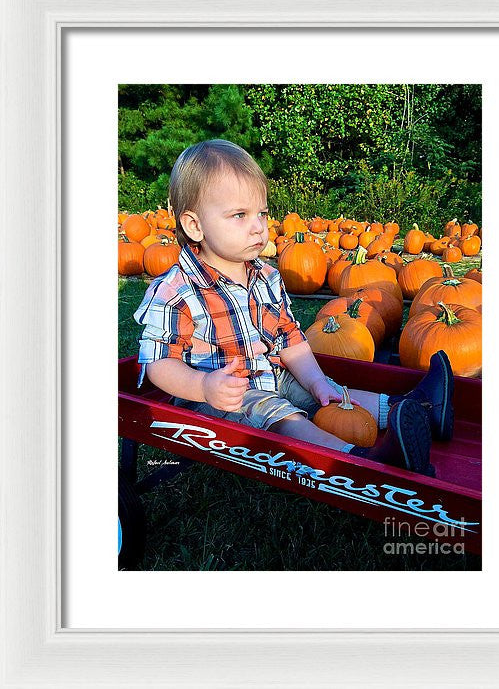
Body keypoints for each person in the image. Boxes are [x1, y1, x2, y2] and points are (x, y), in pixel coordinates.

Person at [134, 139, 454, 476]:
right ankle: (360, 461)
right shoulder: (176, 289)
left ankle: (420, 409)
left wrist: (317, 382)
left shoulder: (266, 276)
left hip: (272, 374)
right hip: (220, 398)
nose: (258, 226)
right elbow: (159, 363)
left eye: (262, 213)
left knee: (327, 392)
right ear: (194, 225)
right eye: (240, 215)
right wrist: (203, 387)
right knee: (280, 414)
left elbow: (289, 338)